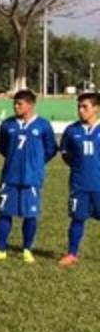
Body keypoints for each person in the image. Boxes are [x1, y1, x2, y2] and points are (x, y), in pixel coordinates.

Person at [0, 89, 57, 263]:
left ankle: (27, 249)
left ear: (30, 105)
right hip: (10, 177)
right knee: (4, 213)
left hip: (32, 179)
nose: (16, 106)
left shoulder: (43, 125)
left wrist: (36, 163)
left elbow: (51, 149)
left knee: (30, 215)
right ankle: (0, 249)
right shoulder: (7, 125)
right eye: (15, 103)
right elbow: (2, 147)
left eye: (19, 104)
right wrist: (14, 160)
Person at [58, 92, 100, 267]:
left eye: (85, 107)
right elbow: (65, 154)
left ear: (96, 108)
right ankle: (72, 253)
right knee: (77, 218)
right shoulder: (71, 130)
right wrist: (78, 168)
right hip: (79, 184)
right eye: (79, 107)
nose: (81, 110)